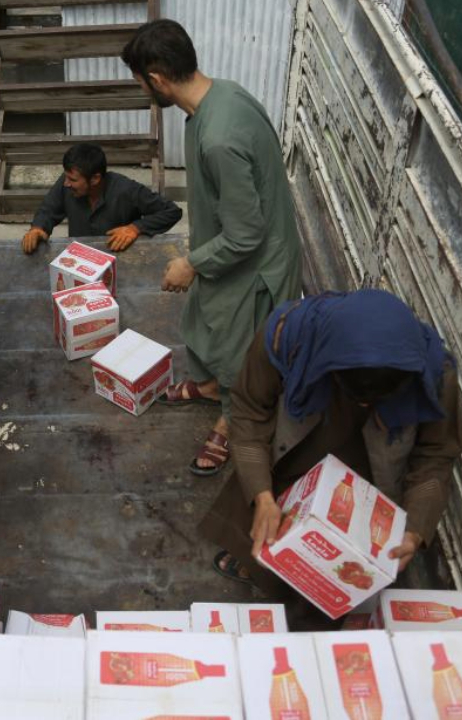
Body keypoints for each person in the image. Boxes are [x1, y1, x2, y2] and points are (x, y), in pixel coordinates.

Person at [122, 20, 301, 476]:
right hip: (229, 243)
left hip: (255, 260)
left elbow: (245, 235)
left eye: (141, 81)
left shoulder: (220, 138)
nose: (143, 89)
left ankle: (231, 420)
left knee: (240, 351)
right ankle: (207, 387)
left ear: (157, 79)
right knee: (203, 321)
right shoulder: (223, 93)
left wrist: (191, 263)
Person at [199, 289, 462, 597]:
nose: (365, 406)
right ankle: (258, 563)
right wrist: (263, 496)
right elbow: (249, 412)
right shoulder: (287, 336)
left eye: (377, 400)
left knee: (335, 569)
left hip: (374, 461)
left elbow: (436, 454)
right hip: (304, 438)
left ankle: (312, 595)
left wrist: (415, 529)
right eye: (358, 397)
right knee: (269, 508)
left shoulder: (433, 376)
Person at [21, 143, 183, 253]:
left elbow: (172, 211)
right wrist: (38, 228)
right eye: (66, 177)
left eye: (73, 180)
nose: (66, 184)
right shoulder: (67, 184)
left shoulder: (126, 189)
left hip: (120, 261)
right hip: (81, 261)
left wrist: (136, 228)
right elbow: (48, 210)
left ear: (95, 179)